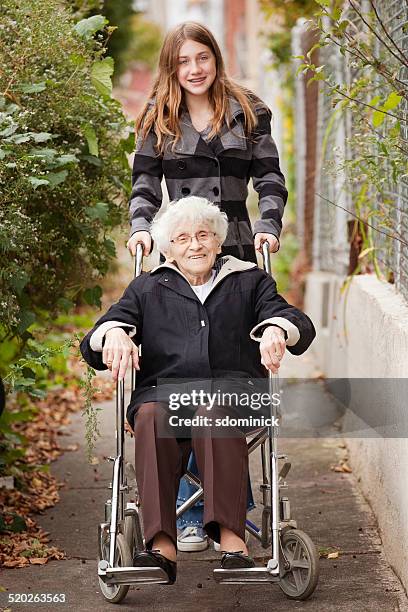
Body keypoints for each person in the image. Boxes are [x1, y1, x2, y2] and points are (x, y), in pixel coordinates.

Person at [80, 197, 315, 584]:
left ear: (219, 241)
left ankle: (232, 542)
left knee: (213, 411)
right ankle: (160, 547)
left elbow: (297, 322)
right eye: (183, 238)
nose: (195, 245)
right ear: (168, 248)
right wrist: (116, 335)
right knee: (152, 416)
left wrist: (276, 328)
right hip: (164, 397)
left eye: (203, 235)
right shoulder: (147, 288)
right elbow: (98, 335)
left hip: (233, 396)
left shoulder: (250, 280)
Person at [127, 20, 288, 551]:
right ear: (171, 67)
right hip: (183, 244)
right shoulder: (158, 118)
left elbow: (268, 175)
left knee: (227, 371)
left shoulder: (249, 109)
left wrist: (268, 224)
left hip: (237, 250)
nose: (194, 70)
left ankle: (226, 510)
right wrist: (142, 231)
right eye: (183, 62)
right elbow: (146, 183)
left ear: (215, 59)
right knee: (183, 364)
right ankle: (194, 513)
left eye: (203, 58)